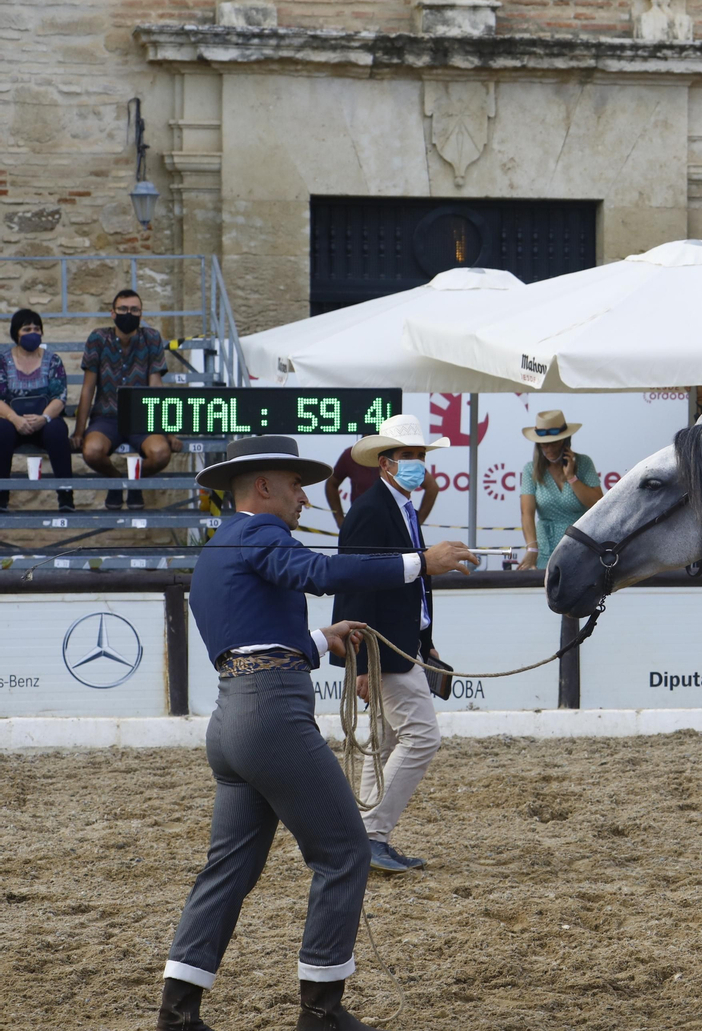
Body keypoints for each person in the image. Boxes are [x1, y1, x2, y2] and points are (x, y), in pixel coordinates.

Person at [158, 434, 477, 1031]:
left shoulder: (219, 546)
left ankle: (178, 1010)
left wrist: (317, 640)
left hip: (233, 720)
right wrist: (419, 563)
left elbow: (245, 643)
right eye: (296, 486)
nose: (305, 498)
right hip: (274, 717)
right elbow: (321, 571)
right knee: (345, 852)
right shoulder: (261, 533)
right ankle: (321, 1012)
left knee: (226, 871)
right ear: (263, 487)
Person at [335, 414, 452, 875]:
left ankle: (366, 836)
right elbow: (356, 589)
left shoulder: (394, 507)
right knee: (421, 736)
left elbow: (408, 585)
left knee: (385, 741)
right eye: (409, 457)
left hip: (398, 643)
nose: (417, 465)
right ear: (385, 464)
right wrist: (362, 663)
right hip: (383, 647)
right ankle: (372, 836)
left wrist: (426, 641)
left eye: (420, 456)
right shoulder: (372, 511)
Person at [71, 289, 178, 510]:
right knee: (91, 451)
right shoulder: (98, 338)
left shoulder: (151, 338)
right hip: (106, 417)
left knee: (160, 453)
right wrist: (79, 431)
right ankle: (116, 481)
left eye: (134, 309)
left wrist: (169, 431)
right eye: (123, 309)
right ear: (112, 312)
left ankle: (133, 481)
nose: (128, 313)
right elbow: (87, 388)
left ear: (141, 313)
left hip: (141, 417)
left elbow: (156, 387)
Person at [0, 309, 73, 512]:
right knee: (1, 431)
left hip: (43, 421)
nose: (33, 332)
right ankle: (1, 497)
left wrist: (44, 417)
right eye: (27, 329)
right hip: (12, 422)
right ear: (16, 333)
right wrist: (14, 419)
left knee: (57, 430)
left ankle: (66, 496)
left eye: (36, 329)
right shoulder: (3, 362)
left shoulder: (53, 361)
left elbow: (60, 396)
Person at [516, 409, 602, 571]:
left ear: (565, 441)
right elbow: (527, 512)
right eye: (544, 443)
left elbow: (597, 503)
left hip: (580, 546)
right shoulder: (531, 469)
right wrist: (532, 548)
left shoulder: (583, 463)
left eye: (554, 442)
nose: (549, 448)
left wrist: (572, 477)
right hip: (546, 549)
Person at [327, 442, 437, 528]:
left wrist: (418, 521)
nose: (415, 463)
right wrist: (339, 519)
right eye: (406, 456)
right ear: (384, 463)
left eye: (421, 455)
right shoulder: (365, 511)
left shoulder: (407, 510)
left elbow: (432, 486)